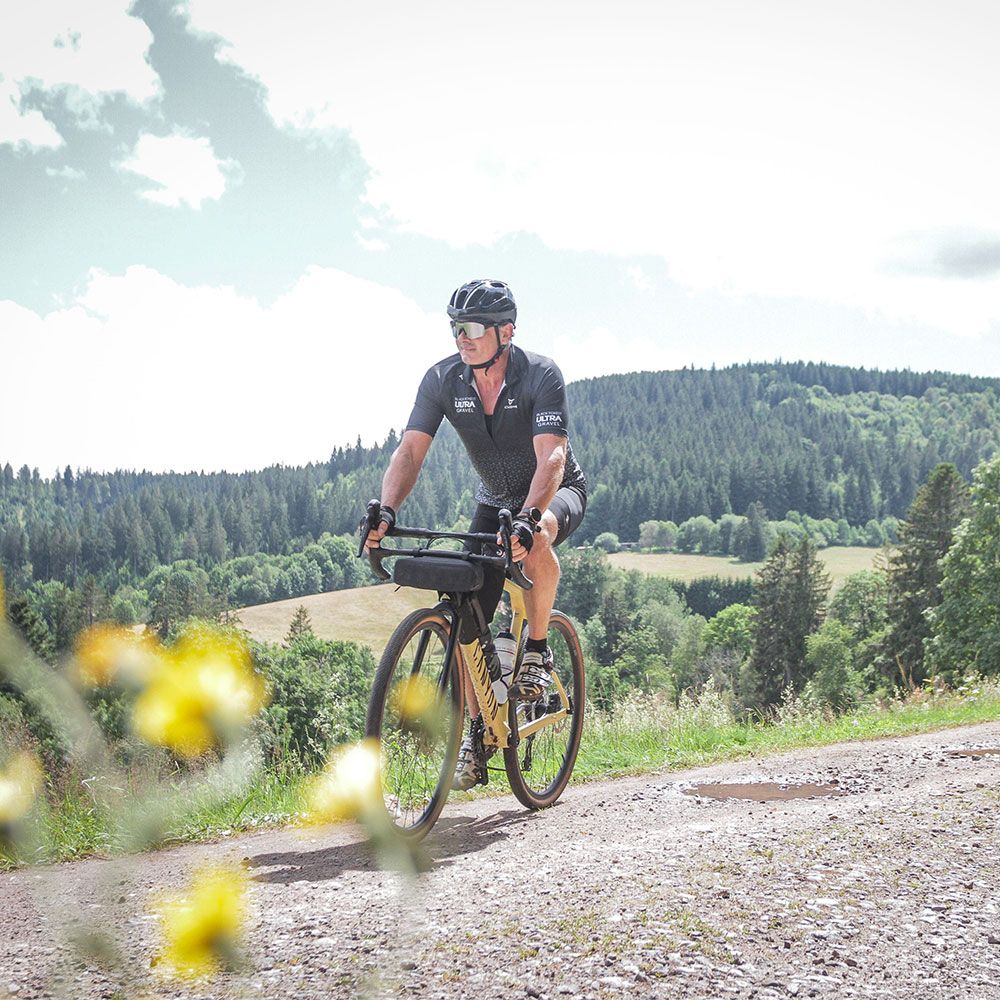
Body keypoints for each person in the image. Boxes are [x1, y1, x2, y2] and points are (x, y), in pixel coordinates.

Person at [364, 279, 587, 789]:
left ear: (505, 331)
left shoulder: (540, 375)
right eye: (454, 327)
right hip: (493, 502)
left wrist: (531, 517)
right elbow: (411, 450)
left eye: (472, 328)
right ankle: (477, 731)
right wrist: (387, 509)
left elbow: (551, 455)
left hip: (552, 491)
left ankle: (536, 646)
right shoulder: (444, 379)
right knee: (470, 617)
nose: (461, 337)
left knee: (539, 538)